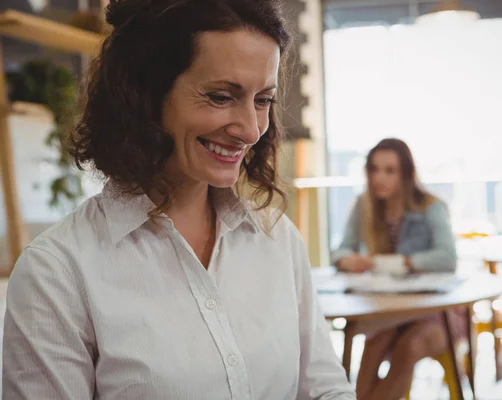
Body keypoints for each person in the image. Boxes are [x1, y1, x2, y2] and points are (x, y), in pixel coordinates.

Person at [2, 1, 355, 399]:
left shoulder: (277, 240)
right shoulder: (57, 274)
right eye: (221, 97)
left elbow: (325, 390)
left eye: (263, 100)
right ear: (144, 94)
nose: (251, 130)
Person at [331, 138, 462, 400]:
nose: (379, 177)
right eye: (374, 169)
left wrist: (406, 262)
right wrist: (348, 260)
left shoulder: (431, 206)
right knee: (376, 341)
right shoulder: (364, 206)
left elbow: (448, 257)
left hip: (435, 313)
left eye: (389, 170)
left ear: (405, 173)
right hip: (388, 310)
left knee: (408, 347)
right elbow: (340, 250)